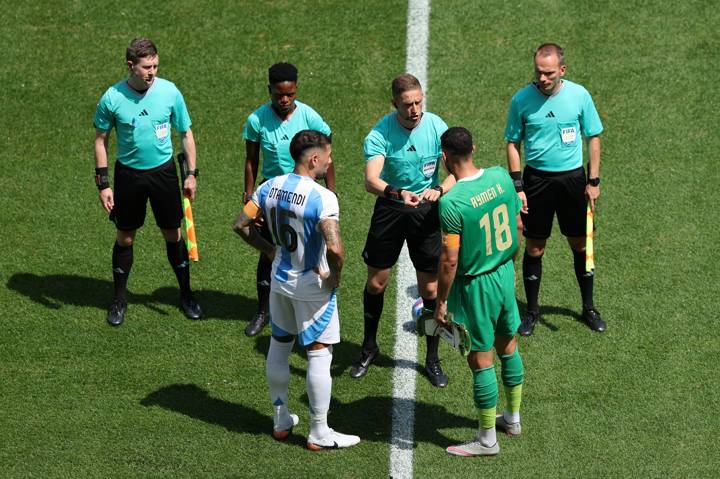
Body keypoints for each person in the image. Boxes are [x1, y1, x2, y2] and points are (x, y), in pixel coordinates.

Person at [233, 130, 360, 450]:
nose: (330, 161)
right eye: (328, 156)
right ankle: (319, 431)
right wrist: (335, 278)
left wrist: (269, 251)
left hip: (280, 280)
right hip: (312, 286)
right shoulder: (323, 197)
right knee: (319, 352)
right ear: (314, 159)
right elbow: (336, 248)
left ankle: (280, 419)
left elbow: (240, 225)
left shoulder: (269, 186)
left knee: (280, 343)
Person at [350, 73, 455, 388]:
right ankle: (369, 346)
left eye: (418, 102)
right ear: (394, 103)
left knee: (431, 291)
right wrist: (398, 193)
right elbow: (371, 180)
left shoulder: (437, 127)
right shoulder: (380, 133)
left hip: (425, 211)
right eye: (407, 104)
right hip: (392, 208)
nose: (414, 110)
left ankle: (432, 357)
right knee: (376, 283)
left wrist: (439, 188)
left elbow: (457, 172)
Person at [93, 38, 201, 326]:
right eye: (146, 67)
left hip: (163, 174)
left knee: (173, 233)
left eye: (155, 65)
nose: (152, 72)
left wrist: (191, 174)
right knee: (125, 236)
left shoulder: (170, 92)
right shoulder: (113, 98)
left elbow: (186, 133)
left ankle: (186, 295)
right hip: (128, 176)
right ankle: (119, 299)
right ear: (131, 66)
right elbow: (101, 140)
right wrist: (103, 183)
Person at [435, 127, 525, 456]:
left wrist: (441, 301)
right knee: (509, 346)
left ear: (445, 158)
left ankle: (487, 440)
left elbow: (449, 261)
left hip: (477, 287)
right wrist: (508, 263)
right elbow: (517, 226)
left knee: (481, 359)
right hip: (504, 274)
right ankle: (512, 419)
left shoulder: (452, 202)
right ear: (473, 147)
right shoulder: (502, 177)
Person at [505, 43, 606, 335]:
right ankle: (532, 312)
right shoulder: (522, 99)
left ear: (562, 70)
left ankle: (588, 308)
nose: (543, 78)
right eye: (538, 72)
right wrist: (517, 186)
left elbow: (594, 137)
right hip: (537, 182)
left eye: (548, 73)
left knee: (580, 244)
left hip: (573, 181)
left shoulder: (579, 95)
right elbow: (513, 142)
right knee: (535, 247)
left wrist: (593, 181)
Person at [242, 62, 334, 337]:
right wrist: (248, 196)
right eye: (279, 95)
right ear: (269, 89)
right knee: (267, 252)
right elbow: (251, 161)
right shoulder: (256, 120)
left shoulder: (310, 118)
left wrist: (331, 193)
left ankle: (311, 303)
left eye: (290, 94)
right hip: (272, 197)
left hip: (306, 196)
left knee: (313, 249)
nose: (284, 100)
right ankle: (263, 311)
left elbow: (329, 156)